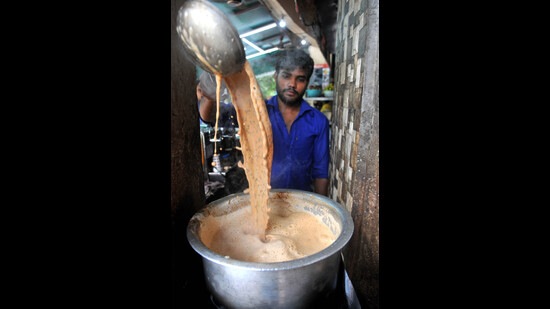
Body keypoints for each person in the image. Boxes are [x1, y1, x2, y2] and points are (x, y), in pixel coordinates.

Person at [266, 48, 330, 196]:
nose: (292, 84)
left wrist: (319, 210)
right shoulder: (259, 113)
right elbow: (210, 118)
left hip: (301, 203)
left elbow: (321, 174)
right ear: (275, 76)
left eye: (300, 79)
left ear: (307, 82)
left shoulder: (318, 121)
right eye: (286, 76)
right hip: (264, 201)